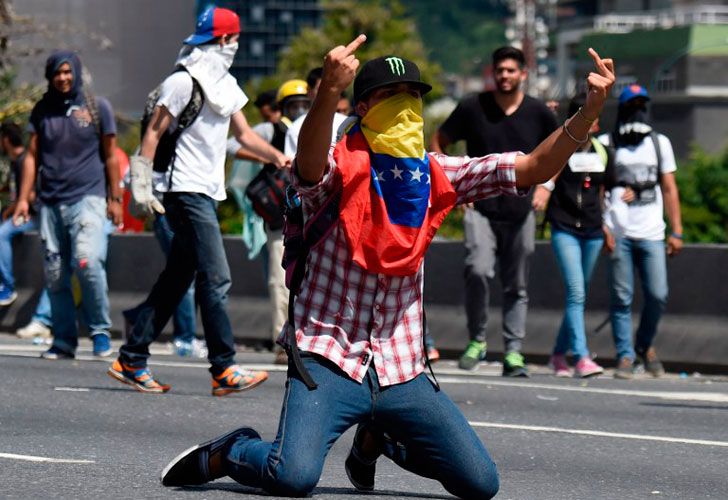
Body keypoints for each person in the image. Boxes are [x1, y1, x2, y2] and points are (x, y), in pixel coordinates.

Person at [159, 36, 615, 498]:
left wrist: (588, 112)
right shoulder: (339, 167)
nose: (405, 106)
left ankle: (379, 438)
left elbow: (534, 166)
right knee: (292, 476)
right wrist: (326, 93)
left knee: (481, 484)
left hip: (401, 368)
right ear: (362, 107)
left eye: (413, 97)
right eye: (390, 96)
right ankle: (231, 451)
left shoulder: (435, 174)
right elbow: (309, 167)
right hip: (329, 357)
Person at [108, 6, 286, 395]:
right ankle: (224, 367)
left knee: (177, 279)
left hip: (206, 190)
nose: (236, 46)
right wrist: (141, 184)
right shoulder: (182, 81)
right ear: (224, 40)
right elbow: (153, 134)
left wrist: (277, 156)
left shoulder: (225, 85)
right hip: (183, 191)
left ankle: (131, 358)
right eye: (234, 39)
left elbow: (244, 137)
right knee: (216, 276)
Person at [431, 46, 558, 375]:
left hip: (522, 209)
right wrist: (452, 186)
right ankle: (477, 341)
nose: (505, 76)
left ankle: (514, 352)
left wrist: (546, 187)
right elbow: (439, 141)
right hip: (480, 209)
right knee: (477, 270)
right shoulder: (473, 107)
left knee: (516, 284)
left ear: (523, 74)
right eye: (499, 70)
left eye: (511, 70)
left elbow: (560, 149)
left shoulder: (538, 112)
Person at [14, 51, 122, 359]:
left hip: (88, 198)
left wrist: (115, 199)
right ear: (50, 77)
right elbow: (32, 157)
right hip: (50, 203)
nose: (63, 78)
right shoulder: (41, 111)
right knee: (55, 274)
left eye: (67, 72)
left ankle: (100, 331)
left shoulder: (96, 107)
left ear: (75, 72)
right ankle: (63, 340)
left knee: (87, 263)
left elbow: (112, 155)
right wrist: (23, 198)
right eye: (57, 73)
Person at [600, 84, 682, 379]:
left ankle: (644, 345)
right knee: (621, 297)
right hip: (619, 231)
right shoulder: (607, 142)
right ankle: (624, 356)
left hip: (652, 231)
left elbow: (670, 188)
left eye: (640, 104)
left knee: (658, 294)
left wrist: (677, 230)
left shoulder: (660, 143)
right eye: (631, 104)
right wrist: (603, 225)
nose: (637, 110)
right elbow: (599, 187)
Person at [533, 94, 615, 378]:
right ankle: (581, 356)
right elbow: (547, 171)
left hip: (593, 230)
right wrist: (543, 190)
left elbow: (604, 191)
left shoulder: (603, 152)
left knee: (577, 297)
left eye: (595, 116)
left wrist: (607, 227)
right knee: (576, 293)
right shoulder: (563, 149)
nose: (593, 122)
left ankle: (558, 355)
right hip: (564, 227)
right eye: (586, 116)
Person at [228, 81, 310, 364]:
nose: (300, 109)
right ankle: (282, 342)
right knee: (280, 281)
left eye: (304, 103)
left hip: (314, 215)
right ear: (281, 108)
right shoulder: (270, 130)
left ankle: (310, 341)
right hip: (283, 217)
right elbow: (231, 144)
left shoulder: (317, 128)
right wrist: (271, 158)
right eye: (293, 104)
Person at [0, 121, 53, 337]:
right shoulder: (15, 162)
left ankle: (7, 286)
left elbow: (31, 195)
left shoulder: (24, 161)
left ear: (5, 140)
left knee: (2, 233)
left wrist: (13, 207)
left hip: (35, 216)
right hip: (24, 214)